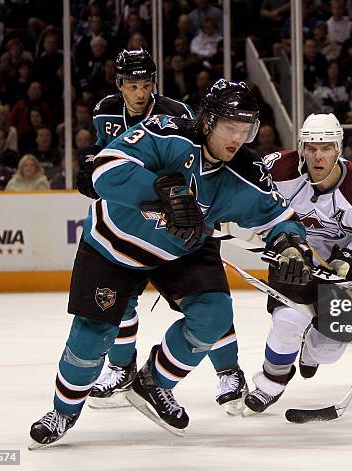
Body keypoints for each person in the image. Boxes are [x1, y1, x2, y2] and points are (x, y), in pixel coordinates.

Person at [29, 79, 311, 447]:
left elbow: (280, 219)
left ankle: (154, 383)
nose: (236, 139)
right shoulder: (167, 132)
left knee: (214, 315)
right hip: (112, 246)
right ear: (207, 120)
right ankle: (62, 412)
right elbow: (104, 170)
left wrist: (290, 244)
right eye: (229, 127)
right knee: (91, 334)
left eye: (246, 130)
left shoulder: (245, 172)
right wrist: (162, 191)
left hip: (182, 252)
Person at [80, 50, 248, 415]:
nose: (141, 93)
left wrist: (193, 209)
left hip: (183, 218)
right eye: (133, 85)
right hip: (132, 218)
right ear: (120, 85)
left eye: (147, 84)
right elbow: (106, 156)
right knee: (120, 298)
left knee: (208, 292)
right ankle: (122, 367)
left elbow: (202, 165)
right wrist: (91, 169)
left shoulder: (176, 113)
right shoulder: (105, 111)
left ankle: (229, 369)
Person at [242, 114, 352, 413]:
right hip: (294, 255)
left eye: (325, 148)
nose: (317, 156)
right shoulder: (278, 168)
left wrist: (351, 257)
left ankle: (311, 348)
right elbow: (242, 187)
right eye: (311, 148)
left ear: (338, 148)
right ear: (301, 148)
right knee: (287, 322)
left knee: (328, 350)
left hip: (339, 268)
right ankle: (271, 382)